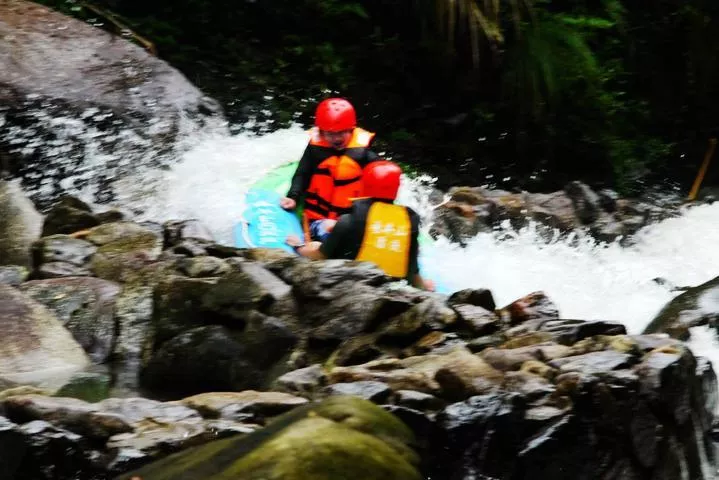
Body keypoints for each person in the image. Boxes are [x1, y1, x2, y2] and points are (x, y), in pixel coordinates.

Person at [286, 161, 435, 291]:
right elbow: (412, 271)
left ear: (366, 186)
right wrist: (424, 287)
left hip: (353, 285)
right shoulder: (409, 224)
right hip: (393, 287)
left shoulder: (348, 221)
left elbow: (319, 256)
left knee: (319, 239)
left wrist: (298, 246)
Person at [280, 97, 380, 242]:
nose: (336, 138)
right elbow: (302, 173)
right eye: (330, 134)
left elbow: (380, 173)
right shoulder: (315, 150)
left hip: (350, 218)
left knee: (348, 232)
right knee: (331, 230)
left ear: (351, 130)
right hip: (319, 220)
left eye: (341, 133)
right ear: (321, 132)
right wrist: (293, 197)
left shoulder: (363, 152)